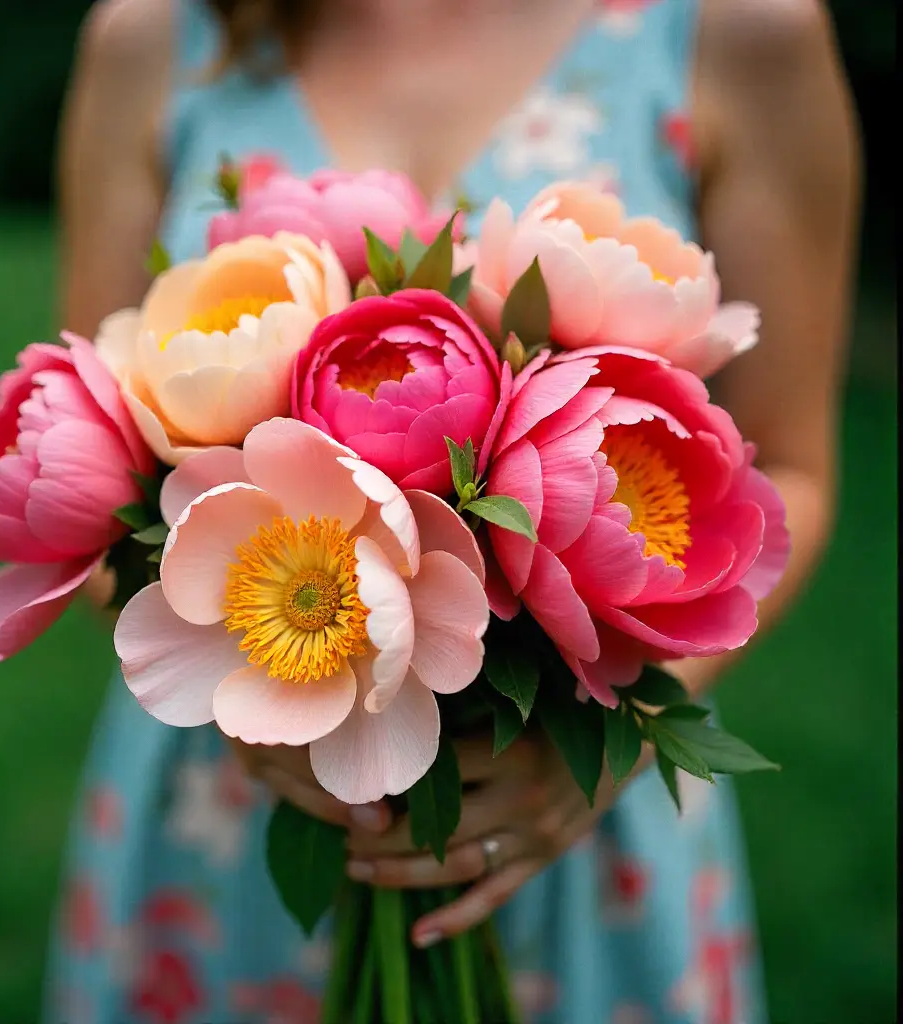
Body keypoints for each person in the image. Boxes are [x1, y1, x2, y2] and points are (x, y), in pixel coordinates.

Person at [47, 0, 859, 1020]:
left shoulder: (741, 30)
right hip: (229, 796)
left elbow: (789, 470)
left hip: (561, 797)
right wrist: (254, 702)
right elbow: (95, 461)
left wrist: (603, 744)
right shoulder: (160, 39)